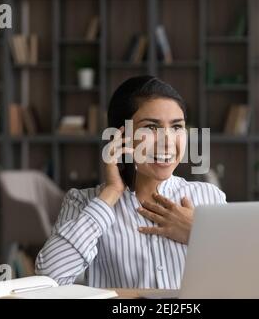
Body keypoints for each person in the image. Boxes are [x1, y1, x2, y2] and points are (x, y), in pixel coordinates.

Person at [35, 76, 226, 288]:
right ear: (120, 137)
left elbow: (242, 278)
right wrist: (111, 193)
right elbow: (48, 280)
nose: (168, 141)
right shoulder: (82, 202)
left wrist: (199, 234)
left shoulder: (209, 197)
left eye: (176, 127)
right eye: (151, 128)